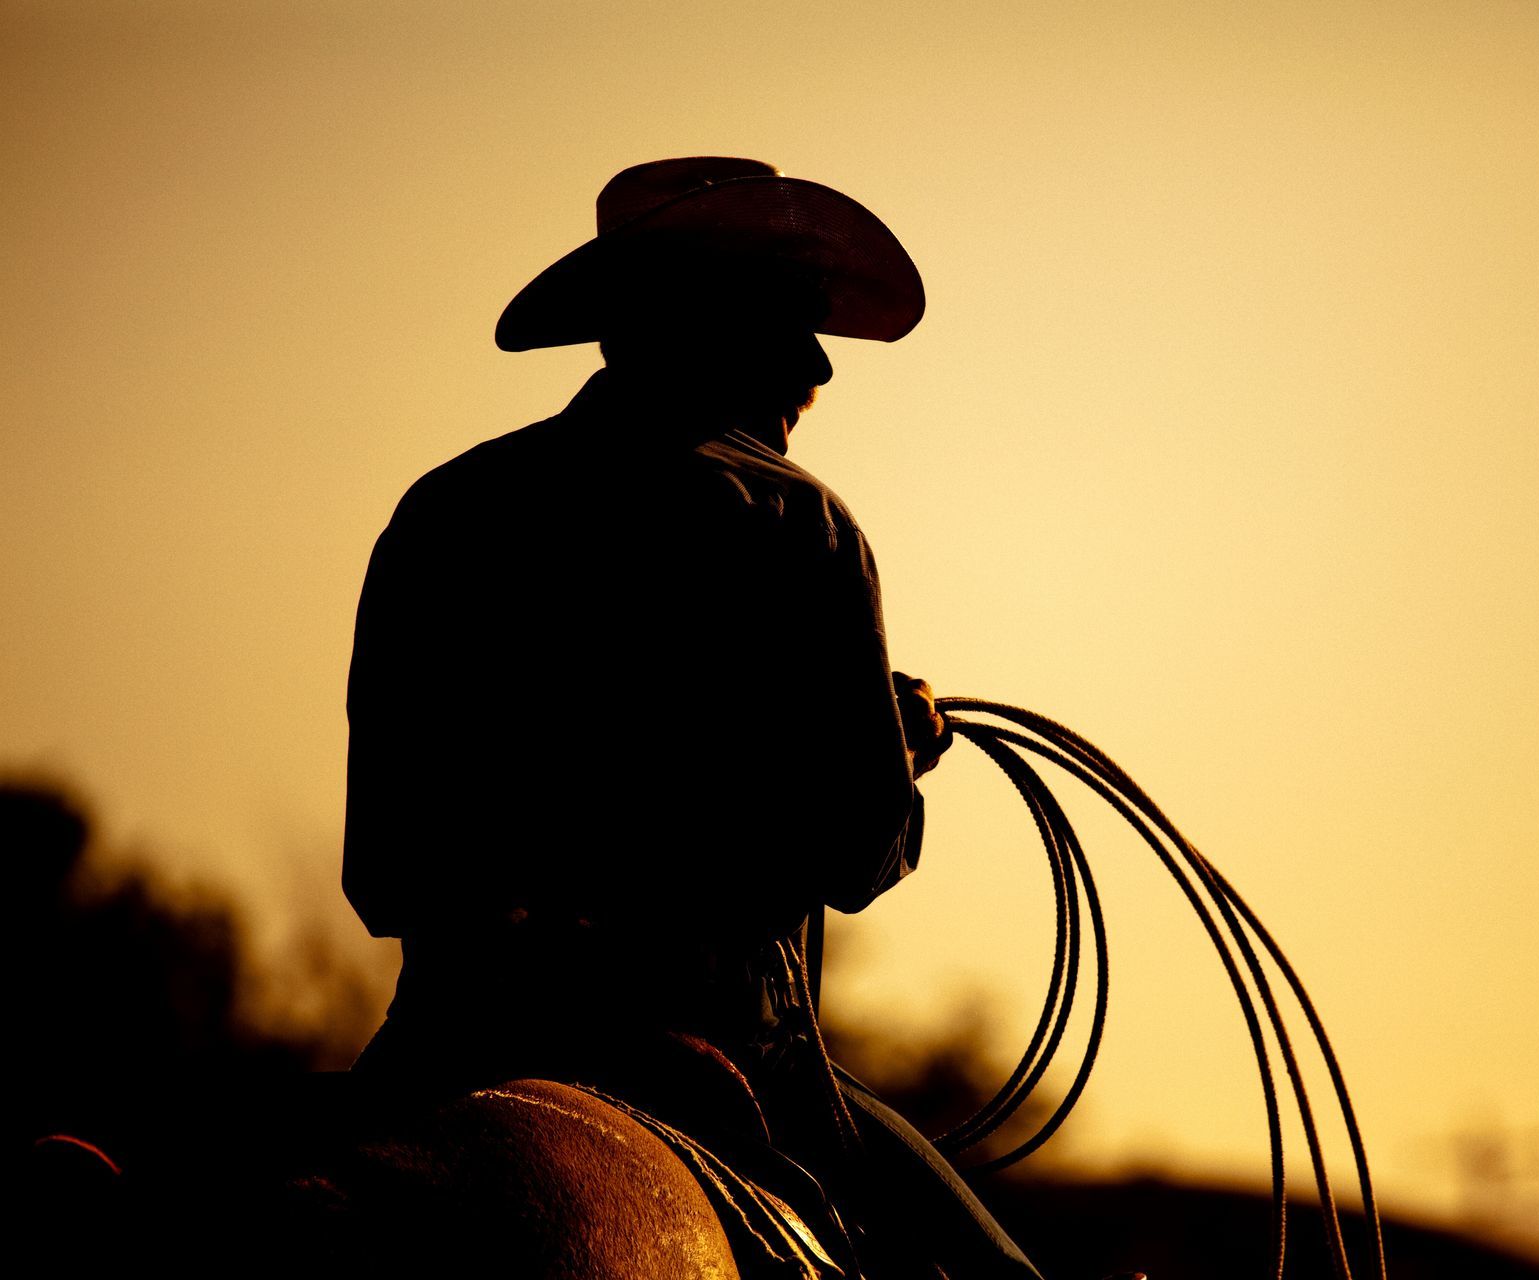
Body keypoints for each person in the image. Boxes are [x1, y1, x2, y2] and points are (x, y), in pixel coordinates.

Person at [342, 157, 1039, 1279]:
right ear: (714, 327)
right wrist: (893, 749)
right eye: (792, 322)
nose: (817, 364)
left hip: (439, 1035)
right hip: (710, 1043)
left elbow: (383, 868)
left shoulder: (442, 508)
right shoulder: (795, 517)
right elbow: (855, 850)